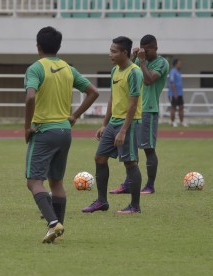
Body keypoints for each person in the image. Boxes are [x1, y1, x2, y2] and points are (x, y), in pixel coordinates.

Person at [24, 26, 99, 243]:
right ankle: (58, 226)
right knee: (56, 181)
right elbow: (93, 92)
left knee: (34, 181)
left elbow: (30, 98)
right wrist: (75, 115)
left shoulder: (35, 69)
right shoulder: (67, 68)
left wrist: (27, 127)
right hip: (65, 131)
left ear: (38, 46)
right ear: (58, 46)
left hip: (44, 131)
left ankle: (52, 223)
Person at [82, 36, 144, 214]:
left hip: (129, 124)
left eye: (114, 51)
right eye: (110, 50)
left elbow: (133, 103)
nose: (110, 54)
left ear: (125, 53)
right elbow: (112, 97)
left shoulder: (134, 72)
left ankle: (135, 206)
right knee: (99, 158)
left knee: (130, 163)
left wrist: (124, 130)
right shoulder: (114, 71)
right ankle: (102, 202)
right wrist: (104, 124)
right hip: (113, 122)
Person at [110, 35, 169, 195]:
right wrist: (134, 57)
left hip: (149, 110)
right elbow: (130, 70)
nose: (145, 52)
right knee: (131, 151)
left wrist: (141, 61)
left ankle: (150, 186)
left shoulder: (162, 63)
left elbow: (149, 80)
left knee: (148, 149)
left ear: (155, 48)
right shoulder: (138, 61)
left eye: (147, 49)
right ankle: (128, 184)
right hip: (134, 112)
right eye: (142, 49)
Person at [168, 58, 186, 127]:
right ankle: (172, 122)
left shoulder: (178, 72)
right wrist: (175, 93)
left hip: (180, 93)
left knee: (181, 107)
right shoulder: (173, 71)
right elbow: (172, 82)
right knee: (173, 107)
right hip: (173, 94)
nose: (180, 65)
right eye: (179, 63)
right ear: (176, 64)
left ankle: (182, 122)